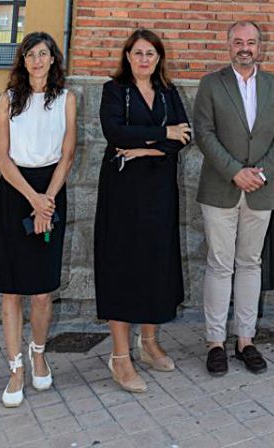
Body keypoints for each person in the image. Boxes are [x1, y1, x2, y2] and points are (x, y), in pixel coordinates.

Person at [193, 21, 274, 376]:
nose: (244, 48)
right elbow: (203, 133)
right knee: (220, 264)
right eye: (238, 42)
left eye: (251, 42)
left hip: (261, 189)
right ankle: (215, 342)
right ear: (228, 46)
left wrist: (262, 172)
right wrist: (235, 171)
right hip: (221, 186)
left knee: (250, 264)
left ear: (260, 47)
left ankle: (246, 340)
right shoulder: (211, 84)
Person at [94, 28, 191, 393]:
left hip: (159, 191)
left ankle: (148, 343)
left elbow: (185, 137)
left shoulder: (168, 92)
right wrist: (163, 134)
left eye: (151, 53)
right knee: (121, 265)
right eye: (138, 53)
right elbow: (115, 132)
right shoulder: (114, 91)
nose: (144, 59)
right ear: (128, 56)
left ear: (159, 57)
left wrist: (148, 147)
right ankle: (120, 357)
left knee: (155, 264)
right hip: (122, 192)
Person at [0, 31, 77, 407]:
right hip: (15, 191)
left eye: (43, 54)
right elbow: (1, 158)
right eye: (30, 55)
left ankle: (38, 351)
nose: (37, 61)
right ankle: (15, 368)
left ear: (53, 59)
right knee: (12, 290)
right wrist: (34, 201)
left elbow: (68, 154)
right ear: (23, 62)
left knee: (41, 291)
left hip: (52, 188)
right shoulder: (8, 100)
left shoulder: (67, 99)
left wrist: (48, 202)